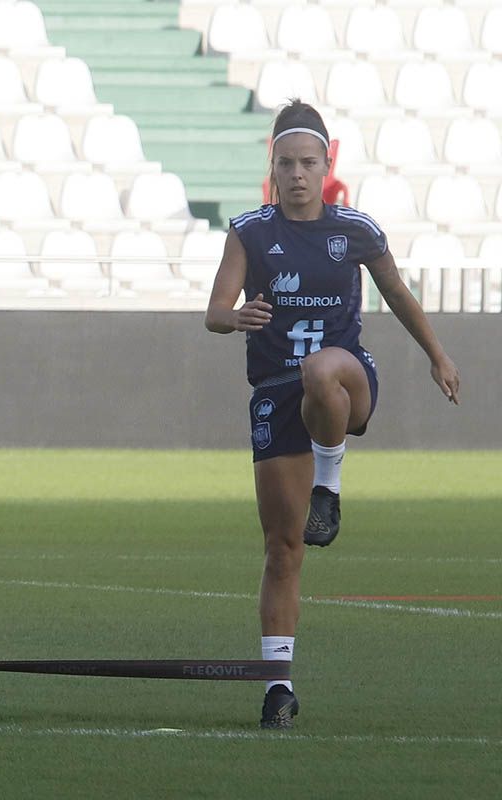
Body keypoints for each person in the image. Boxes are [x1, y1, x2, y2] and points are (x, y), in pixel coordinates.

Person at [204, 100, 460, 729]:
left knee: (321, 368)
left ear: (327, 165)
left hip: (345, 384)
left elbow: (397, 292)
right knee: (282, 548)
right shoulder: (251, 232)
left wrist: (437, 355)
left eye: (308, 163)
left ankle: (331, 484)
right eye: (286, 163)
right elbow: (213, 310)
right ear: (273, 166)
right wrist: (234, 317)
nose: (296, 174)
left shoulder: (356, 230)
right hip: (274, 393)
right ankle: (277, 687)